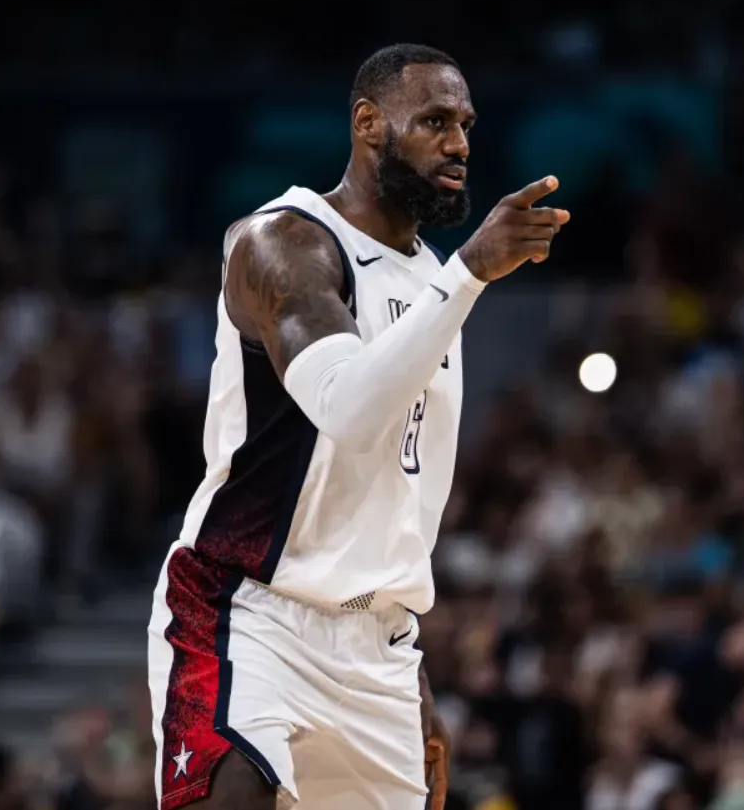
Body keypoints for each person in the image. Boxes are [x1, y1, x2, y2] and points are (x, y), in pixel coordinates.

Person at [146, 43, 570, 810]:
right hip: (248, 614)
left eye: (466, 125)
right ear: (369, 123)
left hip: (378, 652)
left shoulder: (428, 275)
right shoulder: (283, 244)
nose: (459, 143)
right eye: (434, 121)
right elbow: (347, 410)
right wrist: (470, 272)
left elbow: (401, 495)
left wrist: (407, 654)